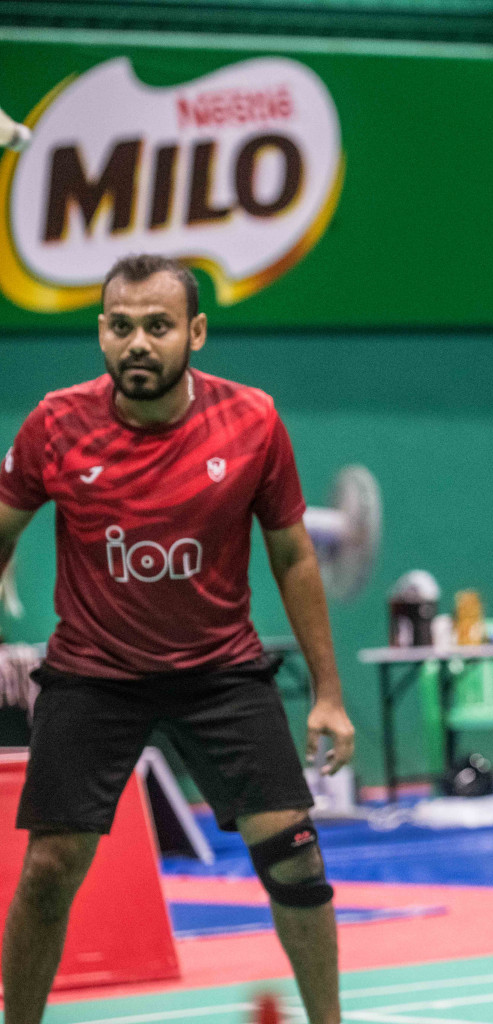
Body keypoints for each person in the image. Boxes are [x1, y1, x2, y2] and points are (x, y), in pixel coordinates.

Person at [0, 254, 355, 1024]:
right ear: (100, 332)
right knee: (50, 867)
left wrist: (328, 692)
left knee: (294, 854)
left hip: (219, 670)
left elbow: (293, 554)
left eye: (157, 326)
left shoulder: (253, 420)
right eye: (120, 326)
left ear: (194, 332)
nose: (137, 342)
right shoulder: (55, 423)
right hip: (93, 670)